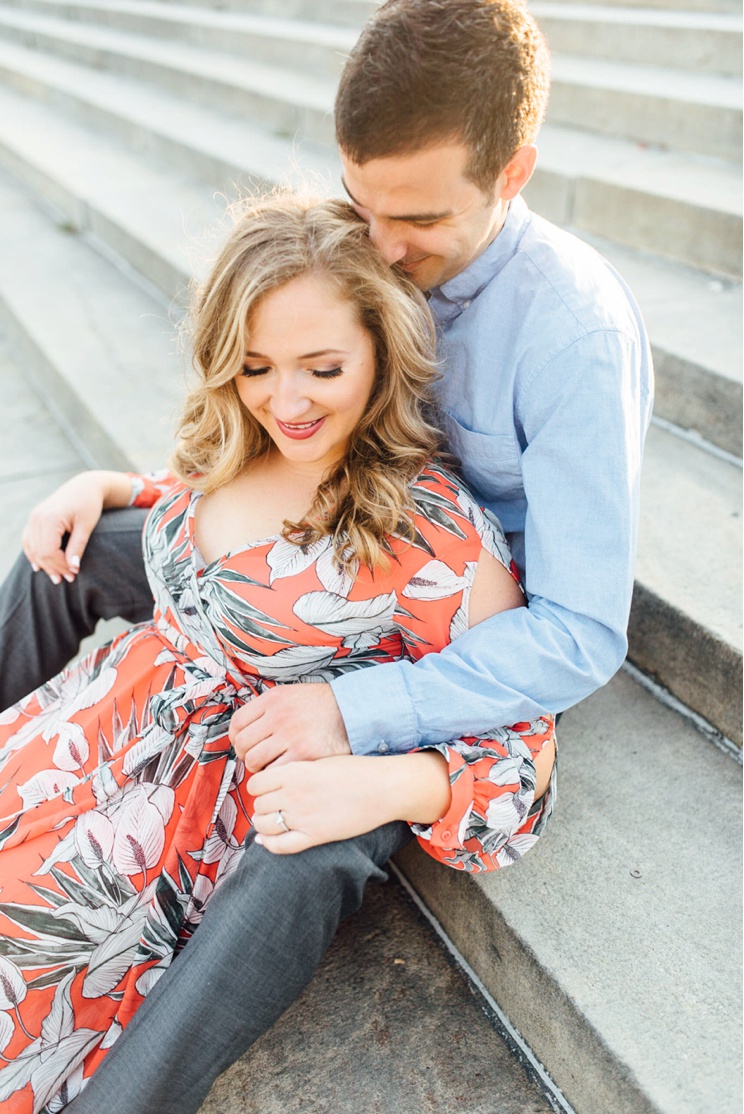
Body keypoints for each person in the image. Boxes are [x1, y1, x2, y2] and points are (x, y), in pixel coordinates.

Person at [0, 2, 649, 1109]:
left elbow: (579, 633)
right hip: (310, 542)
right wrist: (128, 489)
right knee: (67, 551)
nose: (382, 246)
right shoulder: (342, 284)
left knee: (312, 829)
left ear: (514, 172)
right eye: (364, 205)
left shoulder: (570, 332)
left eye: (418, 220)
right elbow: (285, 439)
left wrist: (367, 715)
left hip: (457, 628)